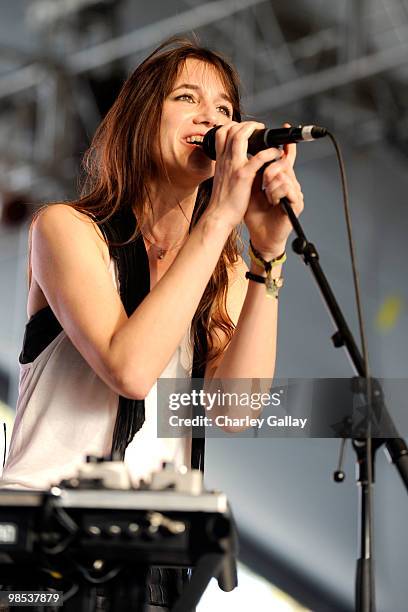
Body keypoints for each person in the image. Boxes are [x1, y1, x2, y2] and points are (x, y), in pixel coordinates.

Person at [0, 38, 304, 609]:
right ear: (142, 119)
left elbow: (234, 412)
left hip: (152, 560)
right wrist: (220, 218)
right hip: (43, 546)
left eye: (223, 109)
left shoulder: (224, 271)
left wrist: (267, 259)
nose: (210, 118)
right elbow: (130, 369)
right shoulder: (68, 231)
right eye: (186, 98)